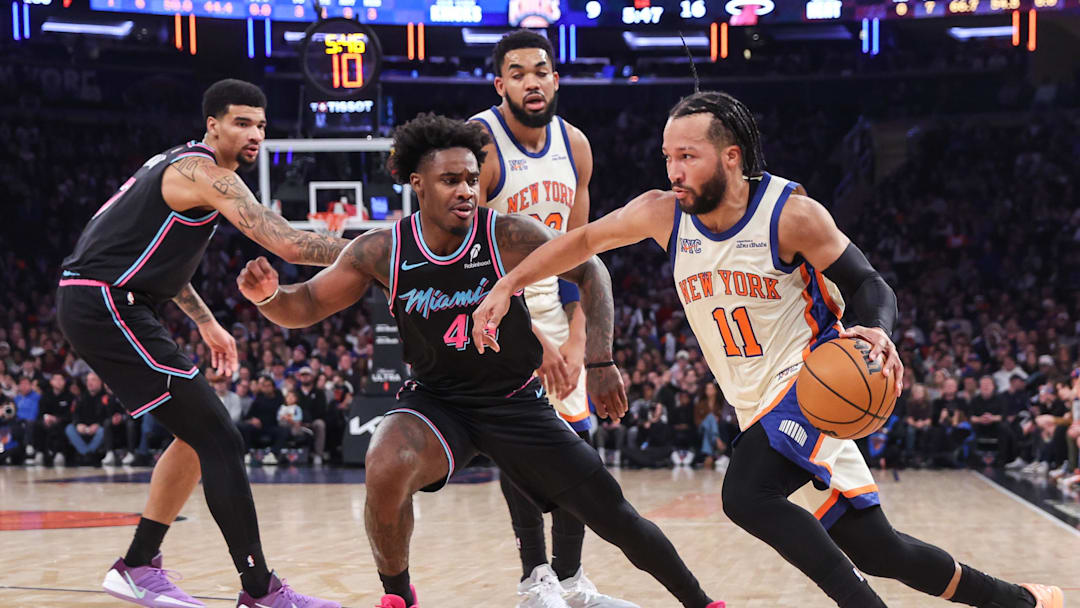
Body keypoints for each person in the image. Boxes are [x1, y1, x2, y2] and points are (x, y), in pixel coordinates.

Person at [472, 90, 1064, 608]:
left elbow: (868, 284)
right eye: (668, 157)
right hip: (755, 405)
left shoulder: (790, 213)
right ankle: (1016, 600)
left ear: (730, 157)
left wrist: (878, 328)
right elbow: (578, 240)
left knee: (746, 495)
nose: (674, 170)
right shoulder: (661, 215)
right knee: (880, 549)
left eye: (688, 156)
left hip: (813, 379)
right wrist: (505, 285)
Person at [234, 113, 723, 608]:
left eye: (471, 179)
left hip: (515, 401)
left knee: (616, 515)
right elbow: (309, 304)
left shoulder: (507, 234)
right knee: (385, 460)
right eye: (450, 180)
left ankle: (701, 603)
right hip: (438, 404)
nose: (466, 190)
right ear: (416, 183)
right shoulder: (383, 250)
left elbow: (592, 269)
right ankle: (398, 597)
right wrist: (270, 297)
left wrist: (599, 361)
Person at [56, 78, 346, 608]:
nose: (255, 133)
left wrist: (207, 322)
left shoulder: (183, 170)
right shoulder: (203, 172)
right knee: (221, 438)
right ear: (212, 125)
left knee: (196, 437)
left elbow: (159, 261)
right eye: (242, 122)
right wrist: (382, 251)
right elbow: (284, 240)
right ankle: (260, 591)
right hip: (104, 302)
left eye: (260, 124)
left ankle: (139, 565)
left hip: (116, 301)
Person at [469, 29, 632, 608]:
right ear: (500, 84)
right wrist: (532, 341)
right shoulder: (479, 145)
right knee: (523, 444)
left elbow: (580, 257)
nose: (532, 81)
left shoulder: (576, 146)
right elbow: (468, 263)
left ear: (556, 79)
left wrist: (578, 343)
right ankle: (533, 578)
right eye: (518, 72)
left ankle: (570, 579)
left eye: (541, 70)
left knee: (574, 445)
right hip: (486, 305)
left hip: (554, 311)